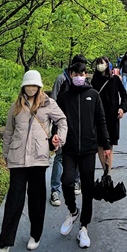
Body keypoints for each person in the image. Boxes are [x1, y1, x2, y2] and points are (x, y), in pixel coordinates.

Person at [0, 70, 67, 252]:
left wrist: (58, 138)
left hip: (38, 158)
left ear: (39, 87)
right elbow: (8, 132)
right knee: (14, 201)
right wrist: (6, 154)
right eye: (28, 85)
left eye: (34, 86)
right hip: (18, 159)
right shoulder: (16, 107)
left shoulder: (48, 104)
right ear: (23, 86)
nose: (31, 89)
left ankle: (35, 234)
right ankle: (4, 244)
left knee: (36, 199)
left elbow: (62, 121)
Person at [56, 54, 111, 249]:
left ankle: (84, 226)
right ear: (70, 74)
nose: (79, 76)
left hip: (88, 148)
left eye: (82, 73)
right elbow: (57, 121)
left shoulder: (93, 95)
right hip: (70, 148)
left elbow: (101, 121)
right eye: (76, 73)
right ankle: (72, 211)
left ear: (86, 74)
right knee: (66, 181)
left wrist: (106, 146)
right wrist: (54, 139)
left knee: (88, 188)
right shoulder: (64, 97)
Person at [91, 56, 127, 172]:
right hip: (98, 116)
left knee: (110, 144)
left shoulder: (115, 80)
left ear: (107, 65)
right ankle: (105, 169)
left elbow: (124, 95)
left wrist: (122, 108)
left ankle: (108, 171)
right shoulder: (94, 81)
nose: (100, 66)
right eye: (98, 63)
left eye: (102, 63)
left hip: (112, 116)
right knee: (100, 145)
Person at [48, 63, 71, 207]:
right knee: (60, 157)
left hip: (76, 128)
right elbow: (53, 102)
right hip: (60, 125)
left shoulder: (85, 85)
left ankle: (75, 183)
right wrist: (55, 127)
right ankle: (55, 190)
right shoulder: (61, 79)